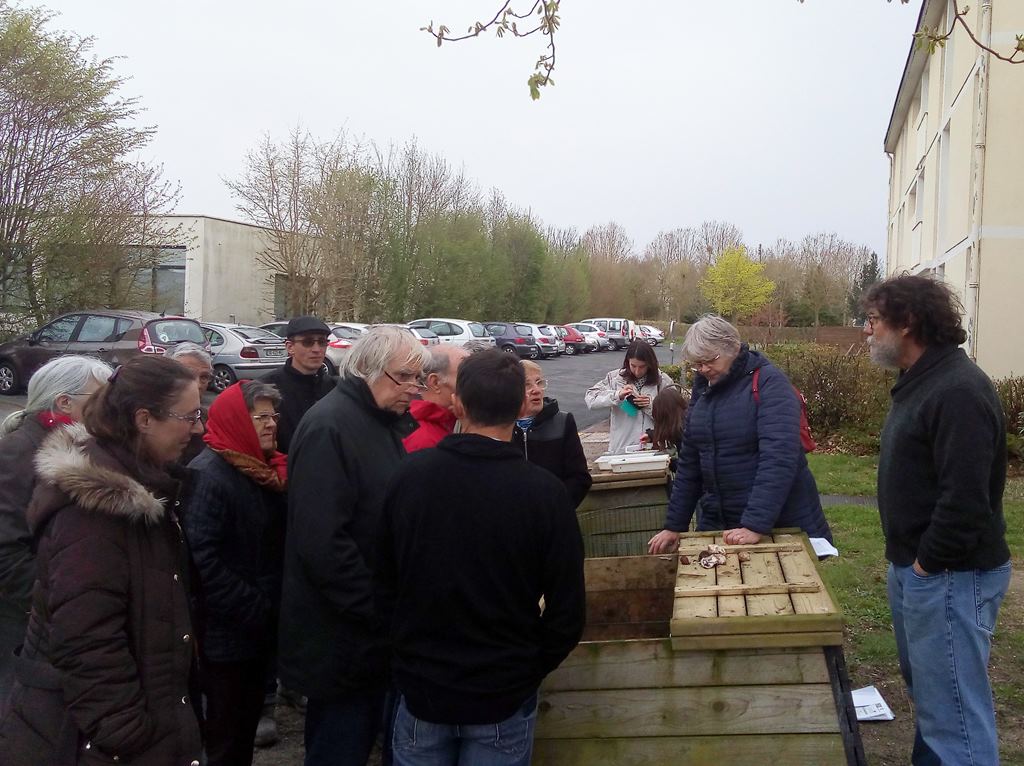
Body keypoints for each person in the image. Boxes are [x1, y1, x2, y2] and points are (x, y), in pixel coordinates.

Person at [376, 349, 586, 766]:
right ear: (520, 406)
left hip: (426, 690)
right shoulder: (544, 493)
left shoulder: (408, 477)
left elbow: (381, 583)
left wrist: (403, 660)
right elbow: (568, 609)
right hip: (500, 693)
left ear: (457, 403)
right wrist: (528, 669)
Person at [0, 355, 204, 766]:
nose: (198, 428)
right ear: (143, 419)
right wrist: (125, 733)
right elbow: (87, 640)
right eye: (189, 416)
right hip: (94, 739)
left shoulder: (148, 486)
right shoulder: (93, 515)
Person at [865, 274, 1011, 765]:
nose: (867, 330)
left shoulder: (957, 390)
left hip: (950, 574)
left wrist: (927, 566)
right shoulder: (922, 381)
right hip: (921, 570)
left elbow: (966, 501)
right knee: (934, 699)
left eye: (873, 320)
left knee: (954, 717)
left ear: (907, 322)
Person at [278, 325, 429, 766]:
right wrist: (375, 609)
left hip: (367, 632)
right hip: (342, 636)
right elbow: (323, 541)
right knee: (338, 746)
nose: (415, 389)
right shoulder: (331, 427)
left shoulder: (376, 421)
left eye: (418, 378)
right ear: (369, 370)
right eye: (406, 377)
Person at [648, 315, 831, 554]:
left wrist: (755, 524)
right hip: (722, 522)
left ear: (732, 347)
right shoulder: (704, 391)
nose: (703, 369)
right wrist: (675, 526)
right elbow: (690, 463)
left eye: (709, 360)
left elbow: (779, 458)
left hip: (777, 524)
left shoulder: (770, 384)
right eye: (697, 364)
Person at [185, 380, 287, 766]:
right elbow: (202, 559)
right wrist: (255, 606)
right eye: (260, 417)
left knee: (244, 727)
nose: (271, 424)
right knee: (225, 735)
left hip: (255, 630)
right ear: (235, 420)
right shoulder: (209, 475)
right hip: (226, 636)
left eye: (273, 415)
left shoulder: (261, 468)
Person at [0, 356, 112, 706]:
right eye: (101, 398)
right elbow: (7, 549)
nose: (110, 408)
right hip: (33, 624)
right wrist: (57, 604)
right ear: (64, 402)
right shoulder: (20, 451)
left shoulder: (80, 446)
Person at [513, 360, 592, 508]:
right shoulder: (500, 426)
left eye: (539, 383)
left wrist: (556, 509)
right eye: (527, 385)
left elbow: (580, 478)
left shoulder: (563, 422)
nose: (536, 390)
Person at [585, 340, 674, 454]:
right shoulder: (615, 379)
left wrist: (651, 405)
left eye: (642, 366)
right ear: (627, 362)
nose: (637, 371)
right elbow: (591, 399)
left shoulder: (663, 381)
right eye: (633, 365)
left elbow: (675, 416)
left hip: (654, 450)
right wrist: (617, 395)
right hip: (622, 449)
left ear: (650, 364)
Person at [263, 316, 334, 455]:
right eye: (308, 342)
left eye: (322, 342)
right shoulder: (267, 387)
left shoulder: (335, 387)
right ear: (290, 347)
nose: (317, 349)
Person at [403, 345, 470, 452]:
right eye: (465, 375)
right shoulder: (424, 440)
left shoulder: (445, 421)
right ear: (435, 382)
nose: (474, 382)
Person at [165, 342, 214, 464]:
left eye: (204, 377)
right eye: (188, 376)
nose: (197, 385)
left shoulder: (209, 421)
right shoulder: (151, 419)